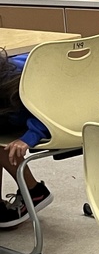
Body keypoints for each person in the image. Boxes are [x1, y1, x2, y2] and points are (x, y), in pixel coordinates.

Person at [0, 51, 53, 229]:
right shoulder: (17, 65)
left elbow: (52, 108)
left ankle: (34, 191)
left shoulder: (23, 79)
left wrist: (30, 136)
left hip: (61, 115)